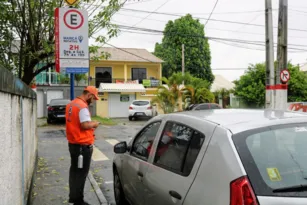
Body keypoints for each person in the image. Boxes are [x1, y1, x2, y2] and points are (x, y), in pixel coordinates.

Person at [65, 86, 100, 205]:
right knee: (81, 174)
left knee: (74, 172)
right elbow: (85, 125)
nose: (93, 101)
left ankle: (73, 198)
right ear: (89, 95)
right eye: (93, 98)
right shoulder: (83, 107)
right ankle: (78, 201)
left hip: (73, 144)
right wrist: (94, 123)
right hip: (82, 146)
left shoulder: (71, 104)